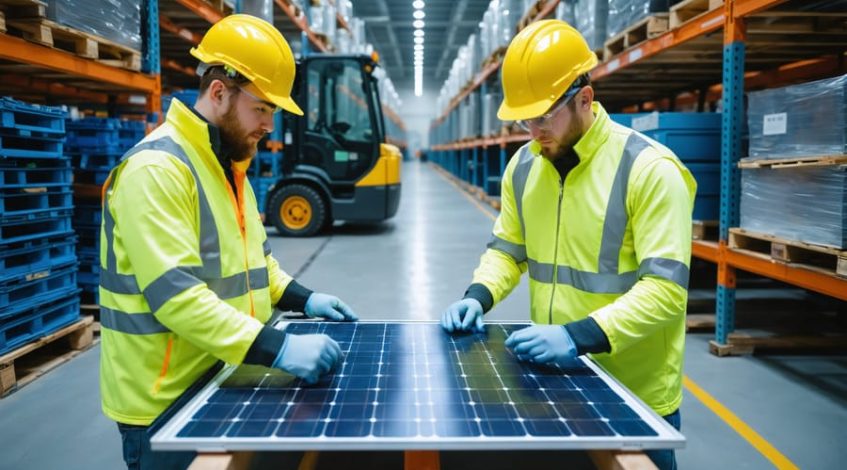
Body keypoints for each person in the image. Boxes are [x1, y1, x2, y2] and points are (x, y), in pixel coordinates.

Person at [98, 15, 358, 469]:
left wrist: (305, 297)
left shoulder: (229, 169)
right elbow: (177, 298)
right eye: (261, 108)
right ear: (219, 93)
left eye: (273, 113)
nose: (268, 126)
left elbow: (257, 264)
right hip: (165, 403)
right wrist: (279, 348)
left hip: (220, 375)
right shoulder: (157, 171)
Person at [440, 20, 695, 470]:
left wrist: (577, 337)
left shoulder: (650, 171)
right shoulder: (524, 167)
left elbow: (666, 292)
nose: (533, 130)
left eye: (543, 116)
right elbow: (508, 250)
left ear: (584, 100)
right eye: (525, 119)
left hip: (634, 394)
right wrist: (478, 297)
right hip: (556, 384)